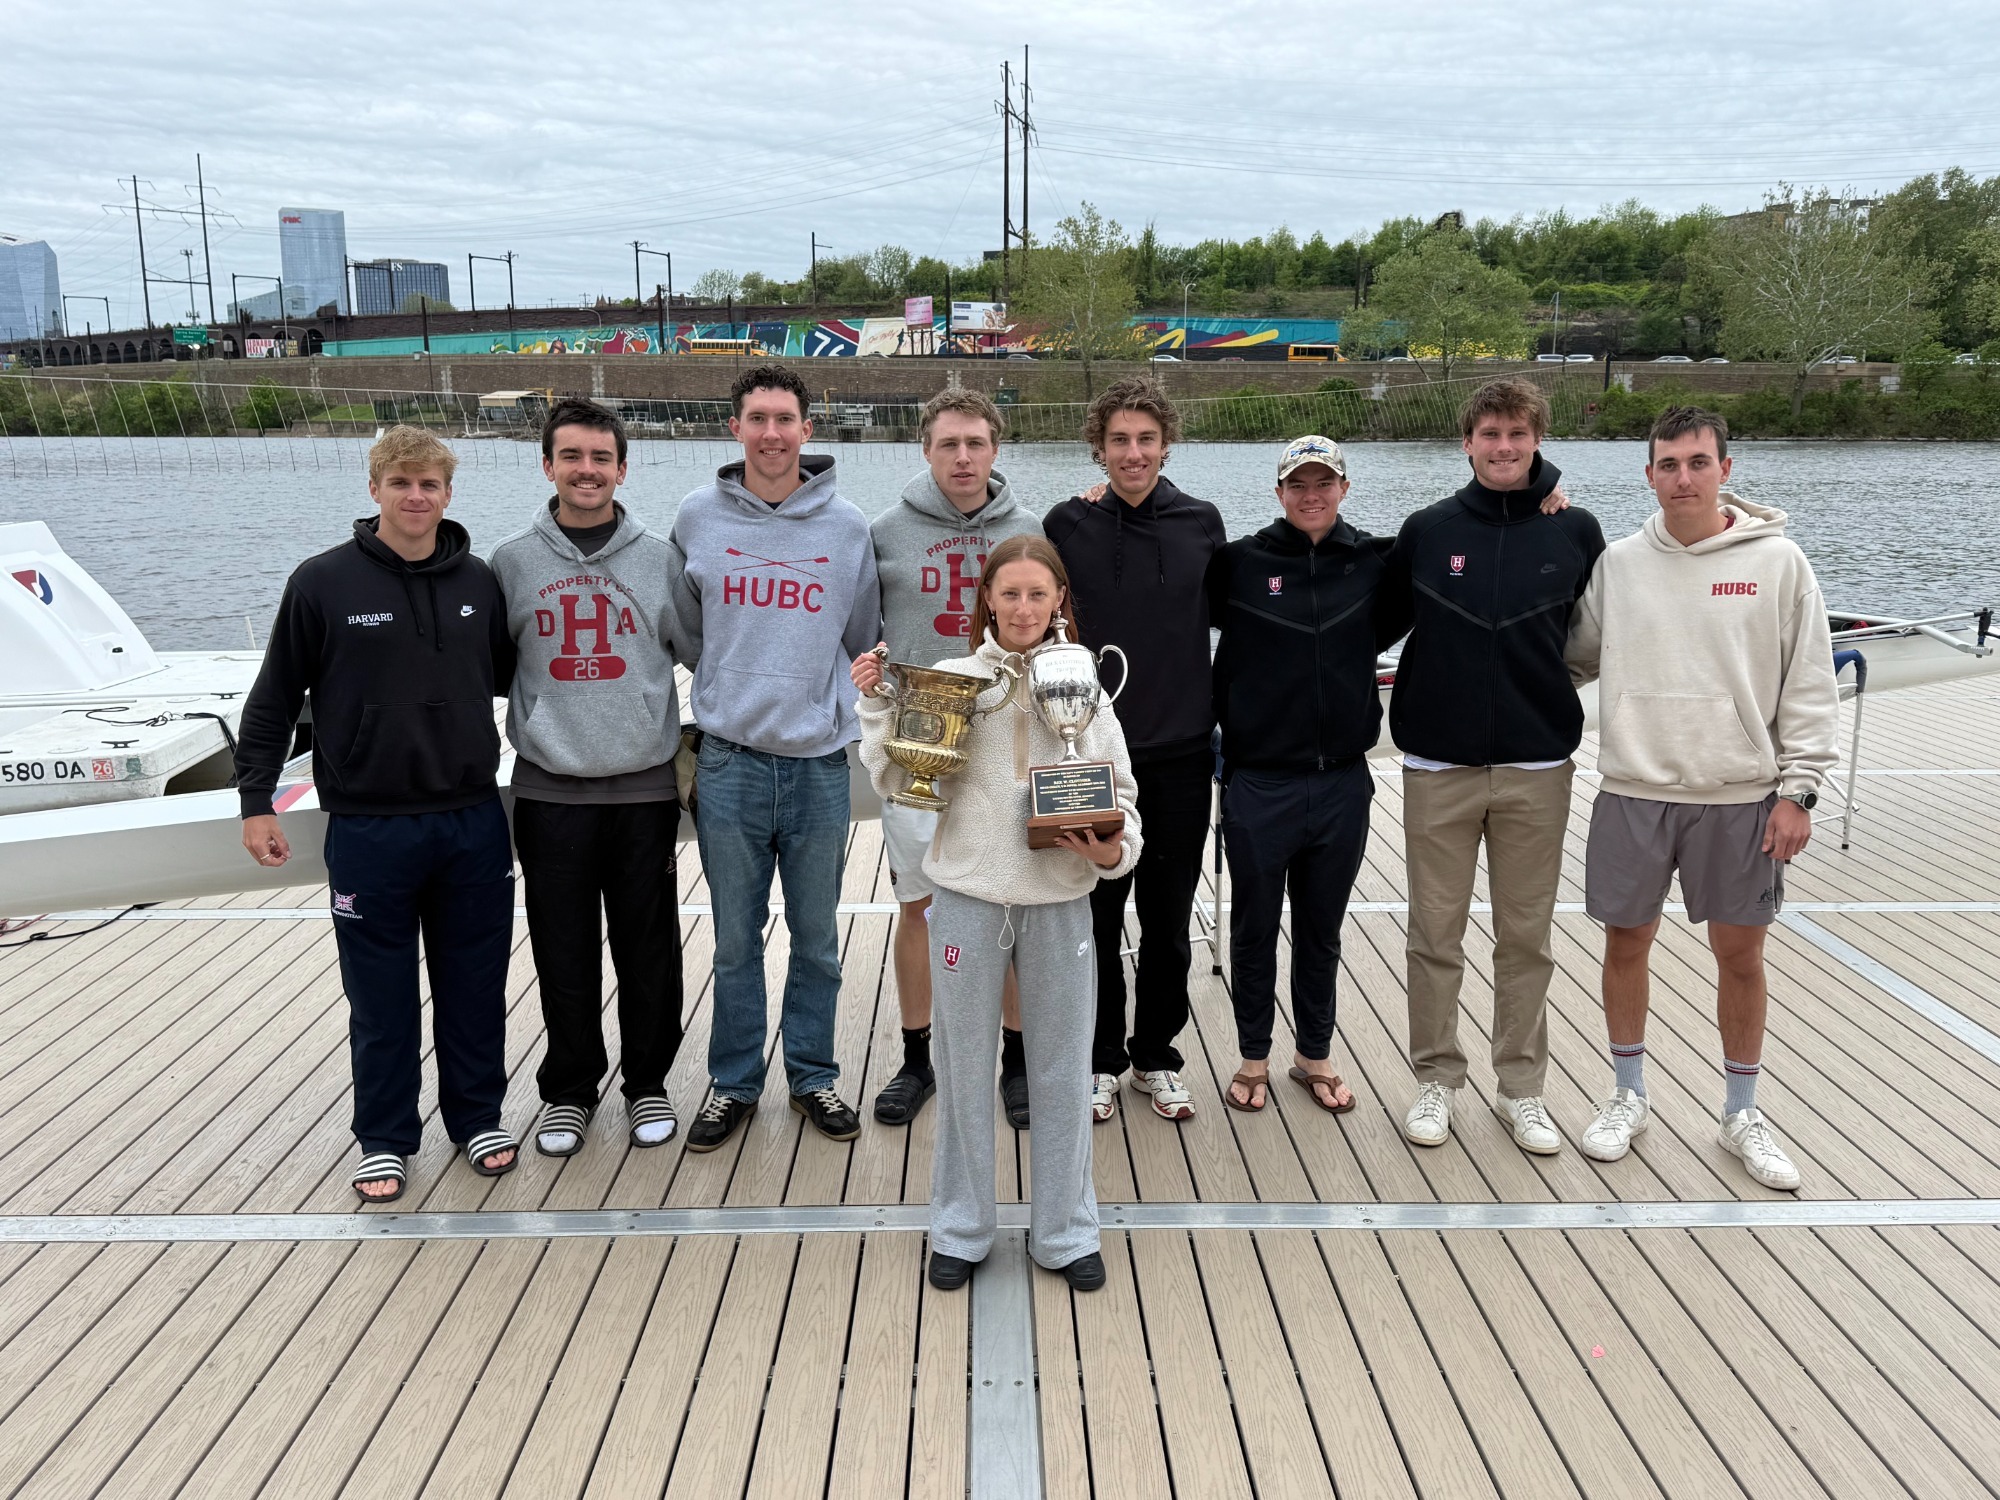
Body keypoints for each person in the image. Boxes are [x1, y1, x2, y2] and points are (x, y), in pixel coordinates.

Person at [236, 426, 519, 1202]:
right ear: (374, 491)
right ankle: (386, 1138)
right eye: (402, 483)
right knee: (380, 994)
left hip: (470, 817)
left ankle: (477, 1118)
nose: (417, 497)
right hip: (368, 825)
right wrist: (254, 798)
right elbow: (272, 700)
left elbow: (506, 676)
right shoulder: (322, 583)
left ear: (449, 493)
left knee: (473, 983)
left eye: (430, 484)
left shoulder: (481, 582)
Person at [856, 533, 1140, 1293]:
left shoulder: (1083, 687)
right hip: (969, 901)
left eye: (1037, 594)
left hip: (1059, 903)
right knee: (961, 1068)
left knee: (1060, 1068)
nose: (1022, 607)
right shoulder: (953, 681)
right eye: (1008, 593)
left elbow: (1124, 799)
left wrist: (1113, 854)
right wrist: (878, 706)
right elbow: (894, 779)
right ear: (987, 599)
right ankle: (960, 1225)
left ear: (1058, 604)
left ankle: (1065, 1230)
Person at [1566, 406, 1838, 1190]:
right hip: (1634, 788)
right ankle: (1628, 1095)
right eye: (1667, 464)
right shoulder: (1618, 564)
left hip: (1743, 794)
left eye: (1696, 462)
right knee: (1625, 945)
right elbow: (1571, 660)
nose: (1682, 477)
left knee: (1741, 956)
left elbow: (1811, 687)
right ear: (1647, 474)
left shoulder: (1780, 562)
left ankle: (1741, 1111)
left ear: (1726, 469)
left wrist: (1801, 792)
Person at [1382, 378, 1605, 1156]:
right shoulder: (1426, 529)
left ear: (1537, 438)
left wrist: (1535, 692)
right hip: (1436, 763)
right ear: (1467, 442)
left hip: (1537, 764)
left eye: (1517, 433)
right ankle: (1436, 1078)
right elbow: (1360, 611)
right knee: (1433, 933)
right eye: (1489, 434)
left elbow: (1594, 637)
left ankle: (1522, 1089)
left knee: (1525, 937)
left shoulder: (1575, 530)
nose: (1503, 447)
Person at [665, 363, 881, 1153]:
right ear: (736, 428)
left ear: (807, 429)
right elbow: (686, 631)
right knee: (734, 940)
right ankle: (732, 1083)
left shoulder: (848, 527)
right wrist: (731, 682)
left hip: (821, 764)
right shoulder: (695, 516)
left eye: (785, 418)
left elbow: (863, 636)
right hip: (729, 763)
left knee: (818, 939)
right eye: (757, 417)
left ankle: (813, 1074)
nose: (771, 433)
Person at [491, 397, 684, 1157]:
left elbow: (697, 650)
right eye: (571, 456)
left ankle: (648, 1083)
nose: (586, 471)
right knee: (561, 948)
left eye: (601, 458)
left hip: (641, 786)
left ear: (622, 469)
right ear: (547, 466)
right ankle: (570, 1090)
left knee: (648, 949)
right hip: (549, 786)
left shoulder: (662, 558)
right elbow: (495, 670)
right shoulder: (511, 562)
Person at [1208, 437, 1412, 1114]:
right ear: (1279, 492)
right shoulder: (1238, 563)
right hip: (1259, 781)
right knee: (1254, 926)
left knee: (1323, 929)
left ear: (1345, 489)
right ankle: (1253, 1057)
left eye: (1324, 482)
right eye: (1299, 483)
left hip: (1342, 783)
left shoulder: (1376, 562)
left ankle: (1314, 1055)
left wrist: (1551, 497)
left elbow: (1451, 543)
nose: (1311, 494)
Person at [852, 388, 1038, 1130]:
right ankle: (916, 1056)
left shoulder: (1028, 527)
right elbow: (860, 629)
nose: (963, 458)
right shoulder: (885, 532)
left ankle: (1016, 1062)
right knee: (920, 906)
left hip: (1006, 744)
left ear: (996, 448)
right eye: (948, 444)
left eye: (976, 443)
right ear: (925, 450)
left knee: (1012, 904)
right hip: (922, 743)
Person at [1044, 377, 1226, 1124]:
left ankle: (1156, 1055)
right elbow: (1033, 620)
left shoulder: (1202, 523)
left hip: (1181, 756)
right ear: (1099, 447)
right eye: (1119, 440)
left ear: (1166, 444)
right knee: (1092, 919)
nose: (1133, 453)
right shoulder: (1069, 523)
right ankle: (1100, 1061)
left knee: (1167, 921)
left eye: (1146, 439)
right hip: (1092, 760)